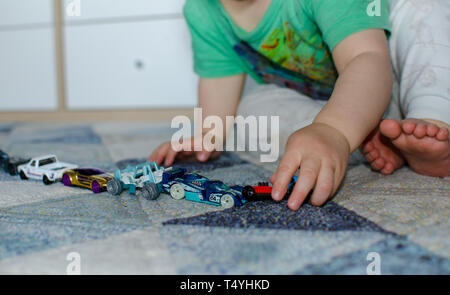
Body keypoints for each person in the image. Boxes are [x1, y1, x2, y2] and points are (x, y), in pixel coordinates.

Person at [150, 0, 450, 211]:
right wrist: (208, 135)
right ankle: (373, 142)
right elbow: (220, 79)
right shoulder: (202, 10)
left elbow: (366, 58)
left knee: (425, 10)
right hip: (335, 106)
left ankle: (431, 118)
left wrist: (334, 129)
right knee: (246, 117)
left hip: (396, 77)